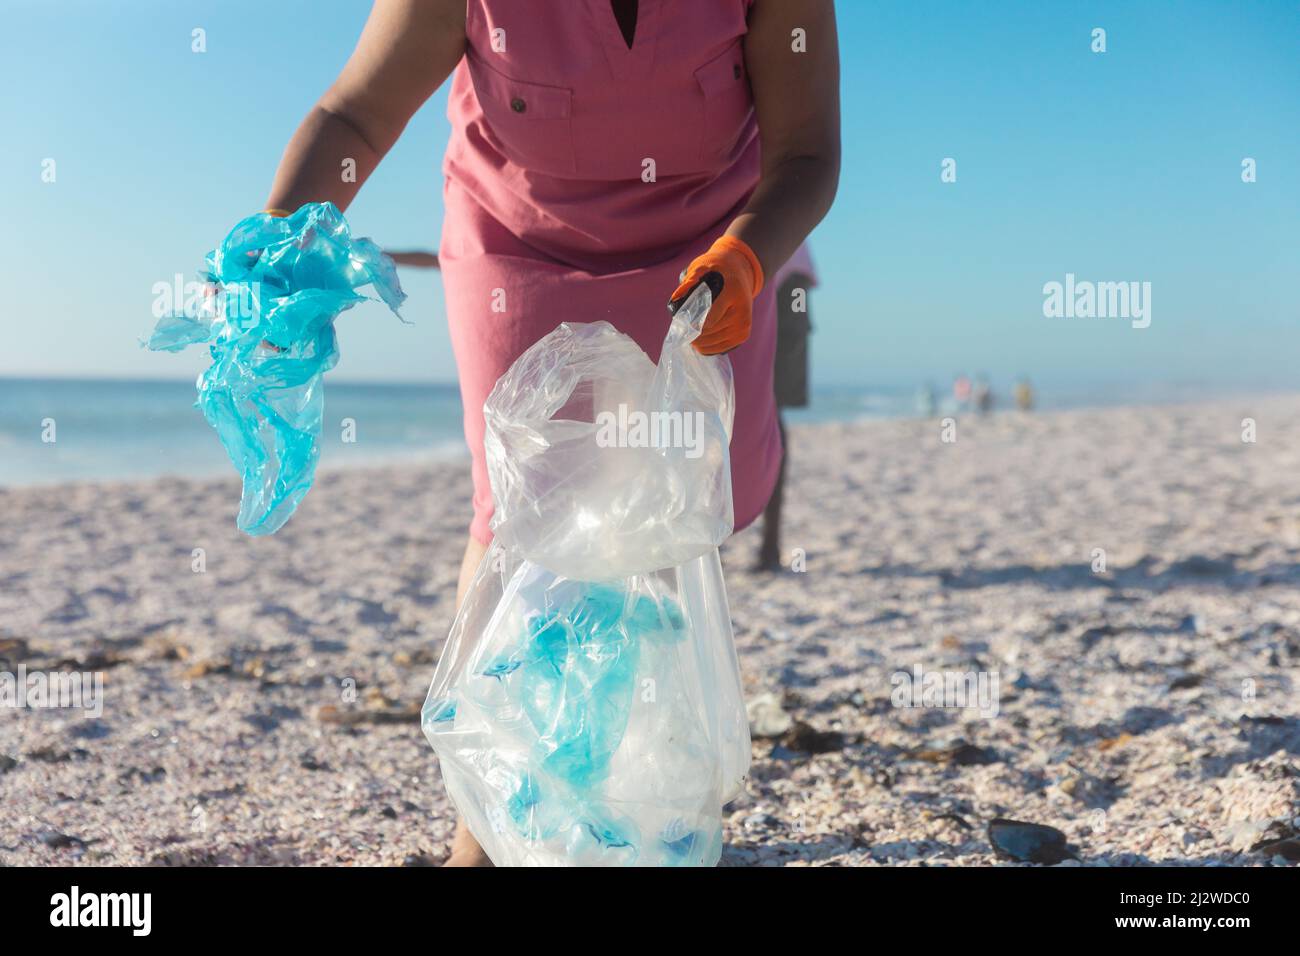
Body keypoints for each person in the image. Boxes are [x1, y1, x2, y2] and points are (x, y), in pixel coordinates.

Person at [260, 0, 840, 866]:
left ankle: (646, 809)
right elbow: (357, 113)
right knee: (519, 515)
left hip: (711, 243)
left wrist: (750, 256)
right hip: (518, 243)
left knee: (664, 517)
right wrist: (279, 238)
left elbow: (806, 150)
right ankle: (485, 837)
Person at [755, 244, 816, 571]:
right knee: (730, 409)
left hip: (781, 273)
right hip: (758, 266)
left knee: (766, 410)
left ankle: (769, 546)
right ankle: (766, 546)